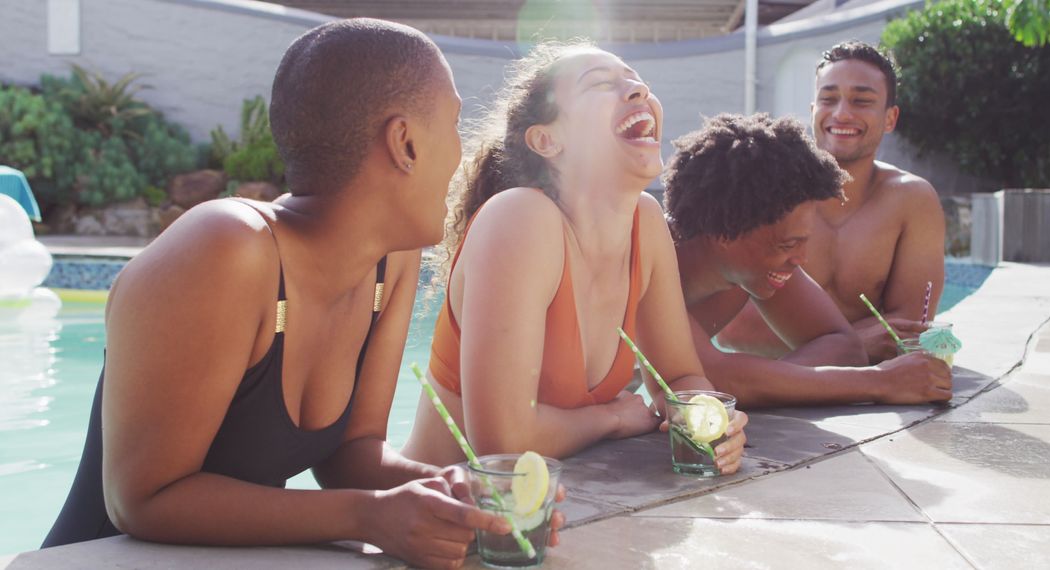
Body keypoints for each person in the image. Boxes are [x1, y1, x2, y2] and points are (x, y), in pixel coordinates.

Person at [42, 20, 559, 569]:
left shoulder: (392, 259)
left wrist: (457, 496)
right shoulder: (223, 250)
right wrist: (368, 516)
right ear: (404, 142)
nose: (462, 156)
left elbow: (351, 455)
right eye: (455, 125)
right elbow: (141, 500)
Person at [401, 42, 748, 474]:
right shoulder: (519, 219)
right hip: (449, 520)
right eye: (601, 84)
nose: (638, 90)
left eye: (638, 81)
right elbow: (502, 445)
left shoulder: (645, 220)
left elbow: (677, 378)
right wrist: (613, 417)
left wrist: (710, 419)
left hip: (562, 514)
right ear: (547, 139)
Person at [666, 113, 952, 407]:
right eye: (789, 244)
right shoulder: (646, 253)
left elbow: (844, 346)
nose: (800, 258)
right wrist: (879, 380)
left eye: (804, 241)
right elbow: (708, 381)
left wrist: (769, 384)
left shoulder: (750, 271)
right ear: (724, 232)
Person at [717, 41, 947, 364]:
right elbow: (732, 328)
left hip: (849, 393)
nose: (842, 113)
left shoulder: (912, 201)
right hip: (769, 391)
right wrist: (854, 344)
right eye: (828, 99)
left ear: (890, 117)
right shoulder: (766, 193)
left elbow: (908, 328)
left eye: (862, 101)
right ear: (813, 110)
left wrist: (819, 348)